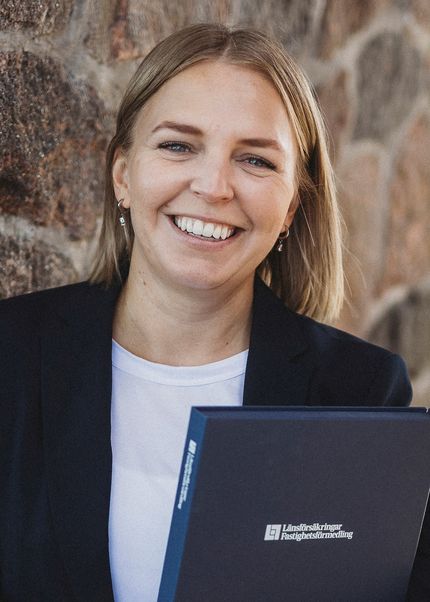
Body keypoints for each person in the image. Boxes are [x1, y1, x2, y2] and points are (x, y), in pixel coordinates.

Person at [0, 22, 426, 602]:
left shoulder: (360, 392)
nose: (214, 186)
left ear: (292, 206)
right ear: (123, 175)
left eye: (255, 160)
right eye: (178, 146)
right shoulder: (11, 354)